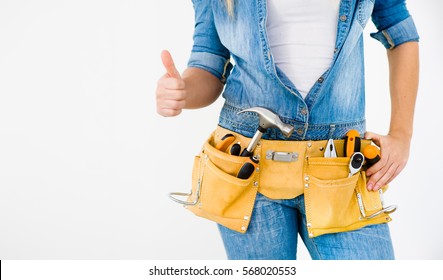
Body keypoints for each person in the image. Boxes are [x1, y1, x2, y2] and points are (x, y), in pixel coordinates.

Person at [155, 0, 419, 260]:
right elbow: (208, 63)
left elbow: (399, 30)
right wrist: (183, 91)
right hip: (246, 165)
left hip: (339, 165)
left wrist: (402, 134)